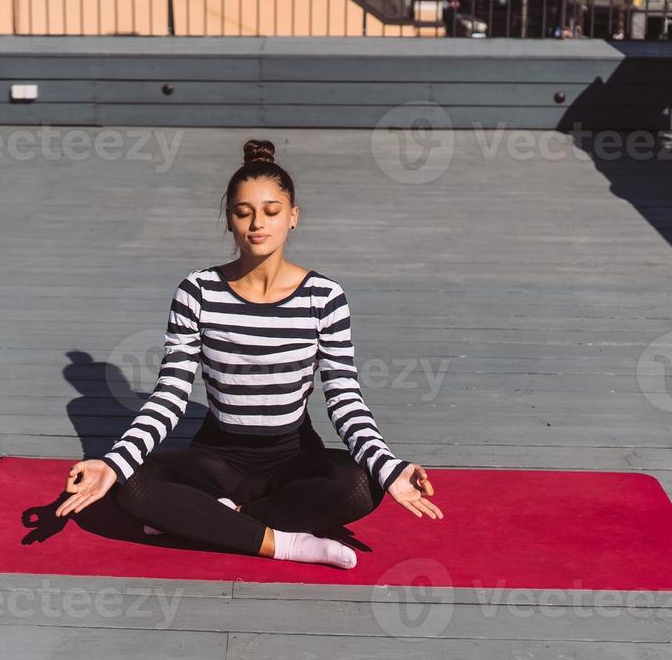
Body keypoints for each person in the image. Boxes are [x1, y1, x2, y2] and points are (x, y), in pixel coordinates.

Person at [54, 138, 443, 569]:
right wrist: (112, 464)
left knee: (361, 486)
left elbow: (345, 399)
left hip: (293, 455)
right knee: (133, 486)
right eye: (244, 212)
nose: (258, 223)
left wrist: (389, 467)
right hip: (217, 457)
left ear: (293, 217)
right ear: (229, 220)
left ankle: (211, 520)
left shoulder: (324, 297)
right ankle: (288, 543)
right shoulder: (196, 292)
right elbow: (169, 397)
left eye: (272, 211)